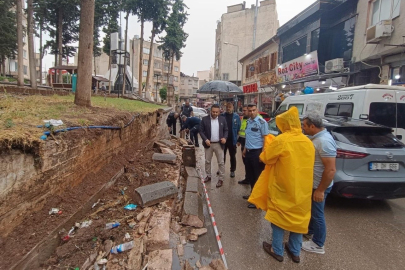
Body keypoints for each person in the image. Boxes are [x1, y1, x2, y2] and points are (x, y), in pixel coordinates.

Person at [248, 107, 315, 263]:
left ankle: (277, 249)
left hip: (283, 187)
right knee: (298, 219)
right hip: (302, 190)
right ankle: (294, 251)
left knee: (279, 218)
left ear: (285, 124)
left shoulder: (282, 140)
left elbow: (266, 158)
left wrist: (269, 145)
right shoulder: (307, 142)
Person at [301, 112, 337, 255]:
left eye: (304, 126)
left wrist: (320, 190)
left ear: (313, 126)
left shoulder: (324, 141)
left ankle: (318, 244)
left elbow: (330, 169)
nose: (303, 128)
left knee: (317, 215)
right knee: (312, 212)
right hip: (314, 183)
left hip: (319, 185)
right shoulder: (316, 137)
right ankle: (310, 232)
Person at [243, 103, 269, 208]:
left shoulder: (262, 122)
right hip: (248, 152)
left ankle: (257, 201)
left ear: (257, 110)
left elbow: (265, 139)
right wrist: (244, 149)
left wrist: (262, 154)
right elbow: (248, 137)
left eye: (254, 110)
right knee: (251, 176)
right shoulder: (248, 122)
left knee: (257, 177)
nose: (252, 112)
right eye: (250, 110)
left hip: (257, 152)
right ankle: (252, 194)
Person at [199, 104, 228, 188]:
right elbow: (201, 131)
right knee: (207, 161)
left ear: (219, 112)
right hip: (209, 144)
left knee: (221, 162)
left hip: (219, 144)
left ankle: (221, 179)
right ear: (210, 111)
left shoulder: (223, 119)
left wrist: (225, 138)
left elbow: (226, 130)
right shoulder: (204, 119)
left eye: (216, 112)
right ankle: (208, 176)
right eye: (213, 112)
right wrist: (205, 139)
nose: (215, 113)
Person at [221, 102, 241, 178]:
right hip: (223, 140)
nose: (228, 108)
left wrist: (238, 139)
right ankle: (221, 169)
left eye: (230, 107)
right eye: (227, 107)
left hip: (232, 140)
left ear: (233, 107)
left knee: (232, 156)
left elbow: (238, 128)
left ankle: (232, 170)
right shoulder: (222, 116)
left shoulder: (236, 117)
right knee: (222, 156)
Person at [237, 105, 250, 185]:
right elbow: (241, 131)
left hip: (249, 144)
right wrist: (239, 140)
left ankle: (250, 180)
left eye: (245, 110)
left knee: (249, 163)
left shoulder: (252, 120)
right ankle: (247, 178)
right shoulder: (243, 119)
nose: (243, 112)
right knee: (245, 162)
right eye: (243, 110)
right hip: (243, 142)